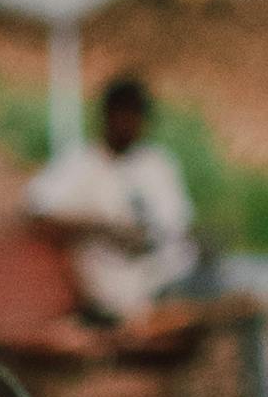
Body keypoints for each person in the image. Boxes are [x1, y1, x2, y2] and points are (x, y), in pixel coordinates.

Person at [26, 70, 201, 328]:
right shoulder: (81, 164)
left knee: (263, 281)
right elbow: (36, 212)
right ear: (106, 115)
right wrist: (101, 228)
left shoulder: (156, 163)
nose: (129, 123)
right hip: (128, 292)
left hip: (175, 272)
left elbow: (179, 224)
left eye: (136, 115)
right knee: (260, 287)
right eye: (122, 114)